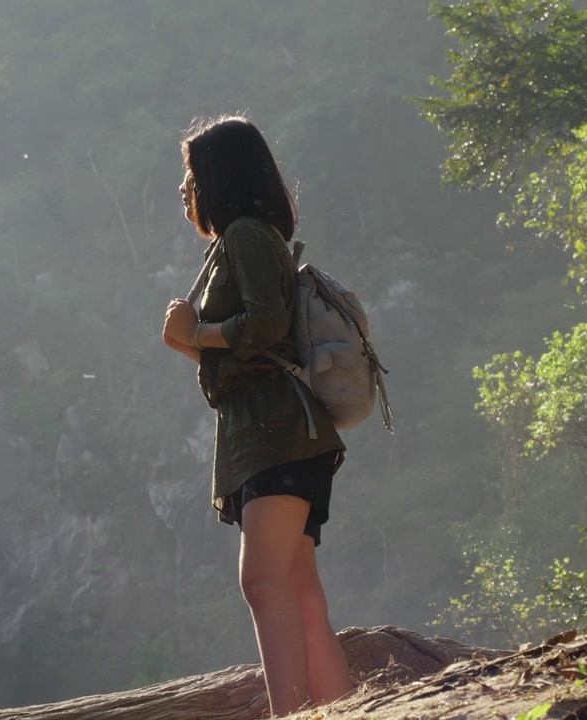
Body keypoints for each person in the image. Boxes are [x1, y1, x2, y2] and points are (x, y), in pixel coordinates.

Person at [162, 116, 353, 716]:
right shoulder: (246, 237)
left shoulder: (245, 233)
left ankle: (292, 714)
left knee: (263, 583)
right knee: (297, 587)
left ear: (220, 174)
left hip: (277, 433)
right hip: (274, 430)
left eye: (192, 173)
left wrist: (200, 332)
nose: (185, 188)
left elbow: (264, 325)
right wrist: (192, 343)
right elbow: (250, 353)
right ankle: (339, 709)